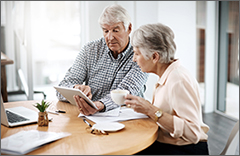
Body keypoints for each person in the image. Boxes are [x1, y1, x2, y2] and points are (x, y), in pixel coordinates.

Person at [124, 23, 209, 155]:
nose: (134, 60)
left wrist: (151, 110)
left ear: (154, 57)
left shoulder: (178, 80)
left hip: (185, 150)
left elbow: (194, 132)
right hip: (169, 144)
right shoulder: (167, 75)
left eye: (136, 54)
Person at [56, 4, 148, 115]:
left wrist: (100, 105)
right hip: (93, 117)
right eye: (106, 31)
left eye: (115, 30)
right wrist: (76, 89)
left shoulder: (141, 54)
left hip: (129, 118)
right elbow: (62, 88)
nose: (110, 37)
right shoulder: (90, 50)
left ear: (128, 29)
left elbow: (125, 92)